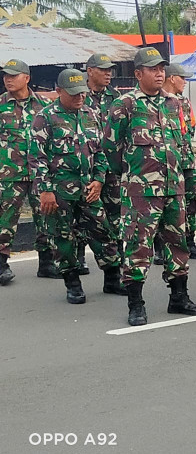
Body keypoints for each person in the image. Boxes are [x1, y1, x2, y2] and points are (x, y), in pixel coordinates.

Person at [103, 47, 196, 326]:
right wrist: (133, 177)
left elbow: (182, 143)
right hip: (141, 192)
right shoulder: (124, 105)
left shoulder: (175, 103)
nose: (160, 73)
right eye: (153, 69)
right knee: (137, 247)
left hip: (174, 188)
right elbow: (111, 149)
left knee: (178, 243)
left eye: (162, 68)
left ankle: (179, 298)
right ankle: (136, 304)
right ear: (138, 74)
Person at [29, 69, 124, 303]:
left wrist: (99, 180)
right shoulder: (45, 118)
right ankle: (73, 283)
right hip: (59, 192)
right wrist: (46, 191)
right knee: (63, 238)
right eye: (73, 94)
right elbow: (36, 158)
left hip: (89, 190)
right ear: (59, 92)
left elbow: (100, 152)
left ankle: (112, 279)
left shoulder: (91, 114)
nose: (79, 98)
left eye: (82, 93)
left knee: (104, 233)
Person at [0, 58, 55, 284]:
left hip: (38, 173)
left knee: (45, 217)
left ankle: (47, 262)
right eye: (6, 75)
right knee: (5, 219)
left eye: (14, 75)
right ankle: (2, 264)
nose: (8, 79)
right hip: (9, 174)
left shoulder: (43, 106)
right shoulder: (1, 105)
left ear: (27, 78)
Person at [160, 63, 196, 261]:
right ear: (172, 78)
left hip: (186, 161)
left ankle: (190, 241)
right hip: (168, 164)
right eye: (182, 78)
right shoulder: (160, 102)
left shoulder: (184, 102)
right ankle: (161, 247)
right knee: (165, 206)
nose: (185, 82)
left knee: (190, 203)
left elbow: (188, 129)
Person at [80, 52, 122, 274]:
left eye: (110, 70)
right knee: (84, 218)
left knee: (116, 217)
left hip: (112, 170)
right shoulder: (78, 96)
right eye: (103, 69)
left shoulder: (116, 98)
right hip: (86, 169)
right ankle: (78, 260)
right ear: (90, 71)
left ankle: (115, 269)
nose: (108, 74)